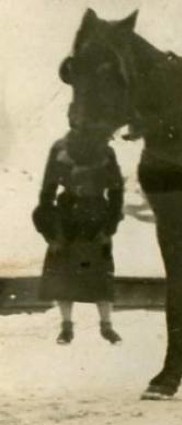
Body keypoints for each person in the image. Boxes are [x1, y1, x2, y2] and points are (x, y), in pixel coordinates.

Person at [32, 129, 125, 345]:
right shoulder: (59, 149)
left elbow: (116, 192)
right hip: (67, 219)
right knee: (64, 275)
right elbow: (47, 192)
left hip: (97, 218)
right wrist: (51, 234)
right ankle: (66, 327)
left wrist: (109, 227)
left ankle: (106, 326)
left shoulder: (106, 152)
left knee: (101, 275)